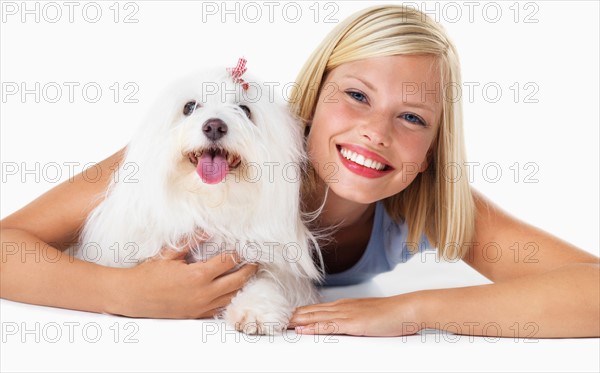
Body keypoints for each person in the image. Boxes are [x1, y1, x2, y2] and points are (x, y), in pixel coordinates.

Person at [1, 5, 598, 337]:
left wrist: (412, 310)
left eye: (412, 116)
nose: (377, 133)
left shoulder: (425, 203)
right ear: (308, 101)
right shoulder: (204, 152)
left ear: (434, 151)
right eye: (357, 96)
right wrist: (121, 294)